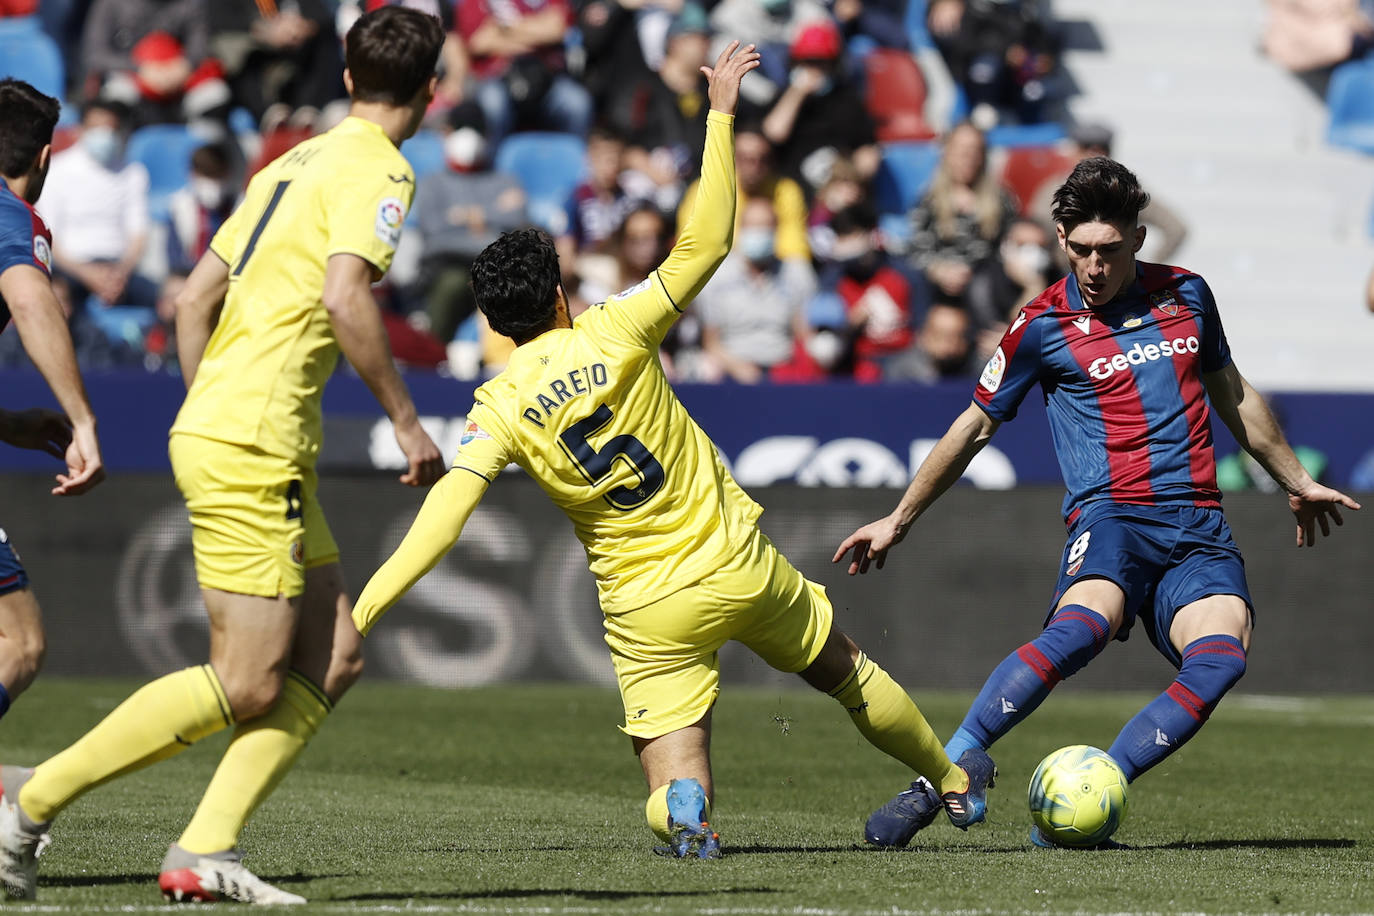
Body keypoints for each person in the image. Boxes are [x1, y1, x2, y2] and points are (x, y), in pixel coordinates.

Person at [350, 41, 995, 860]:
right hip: (735, 562)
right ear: (558, 292)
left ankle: (684, 806)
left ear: (491, 322)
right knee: (844, 671)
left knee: (670, 780)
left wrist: (366, 608)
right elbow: (708, 244)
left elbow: (446, 514)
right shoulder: (616, 328)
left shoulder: (498, 405)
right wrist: (720, 116)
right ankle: (948, 778)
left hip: (646, 608)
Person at [0, 8, 447, 904]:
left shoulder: (292, 157)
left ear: (349, 79)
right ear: (433, 94)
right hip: (256, 438)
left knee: (337, 653)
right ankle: (28, 807)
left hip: (237, 427)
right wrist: (404, 418)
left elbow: (193, 298)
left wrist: (209, 403)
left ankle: (204, 847)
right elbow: (346, 295)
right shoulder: (380, 170)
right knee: (247, 681)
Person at [835, 157, 1361, 849]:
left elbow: (1232, 393)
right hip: (1112, 517)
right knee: (1080, 630)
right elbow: (973, 424)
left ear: (1138, 240)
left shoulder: (1189, 296)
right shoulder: (1041, 325)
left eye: (1109, 250)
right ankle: (944, 776)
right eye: (1079, 249)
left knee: (1222, 659)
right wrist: (899, 517)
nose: (1093, 265)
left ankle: (1087, 798)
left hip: (1199, 523)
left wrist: (1294, 478)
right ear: (1060, 238)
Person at [0, 78, 106, 813]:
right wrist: (82, 417)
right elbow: (31, 295)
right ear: (43, 157)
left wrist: (8, 425)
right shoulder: (12, 216)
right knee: (19, 643)